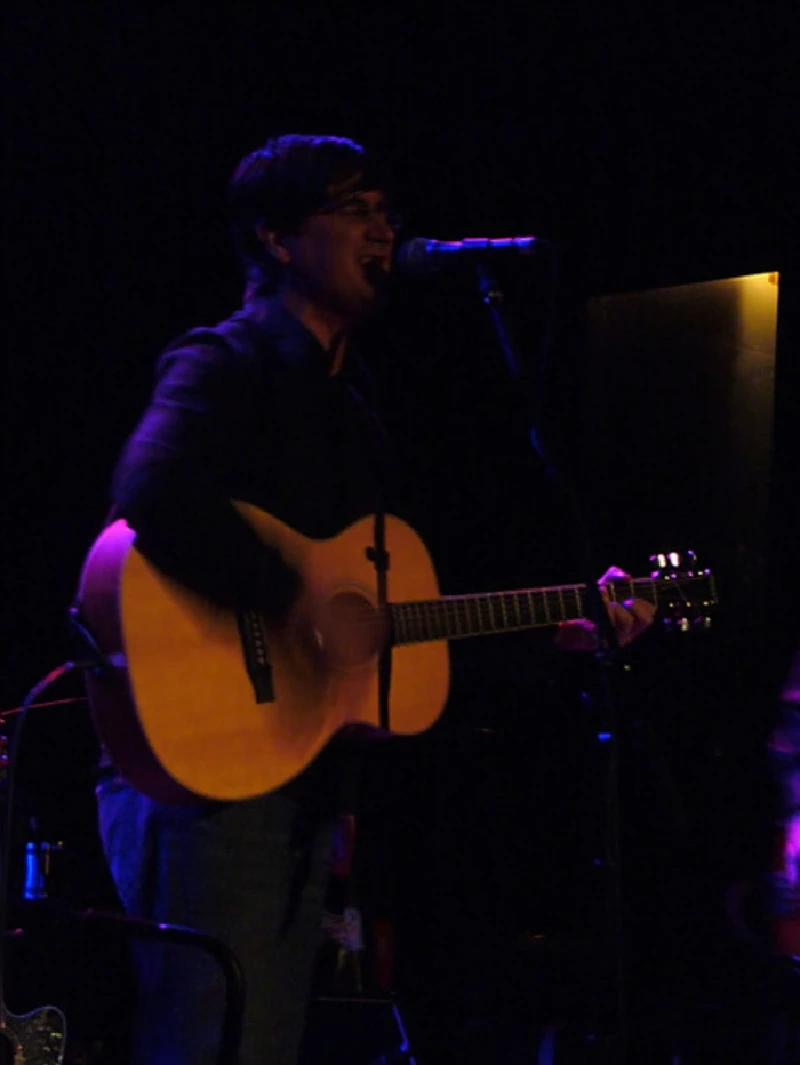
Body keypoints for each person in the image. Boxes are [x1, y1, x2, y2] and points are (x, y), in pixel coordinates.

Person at [93, 132, 655, 1065]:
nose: (384, 229)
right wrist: (295, 597)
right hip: (200, 768)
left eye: (386, 210)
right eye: (353, 209)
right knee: (207, 1045)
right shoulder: (225, 362)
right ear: (275, 238)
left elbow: (385, 632)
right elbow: (152, 490)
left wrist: (548, 638)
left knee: (260, 1046)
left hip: (297, 771)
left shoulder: (357, 407)